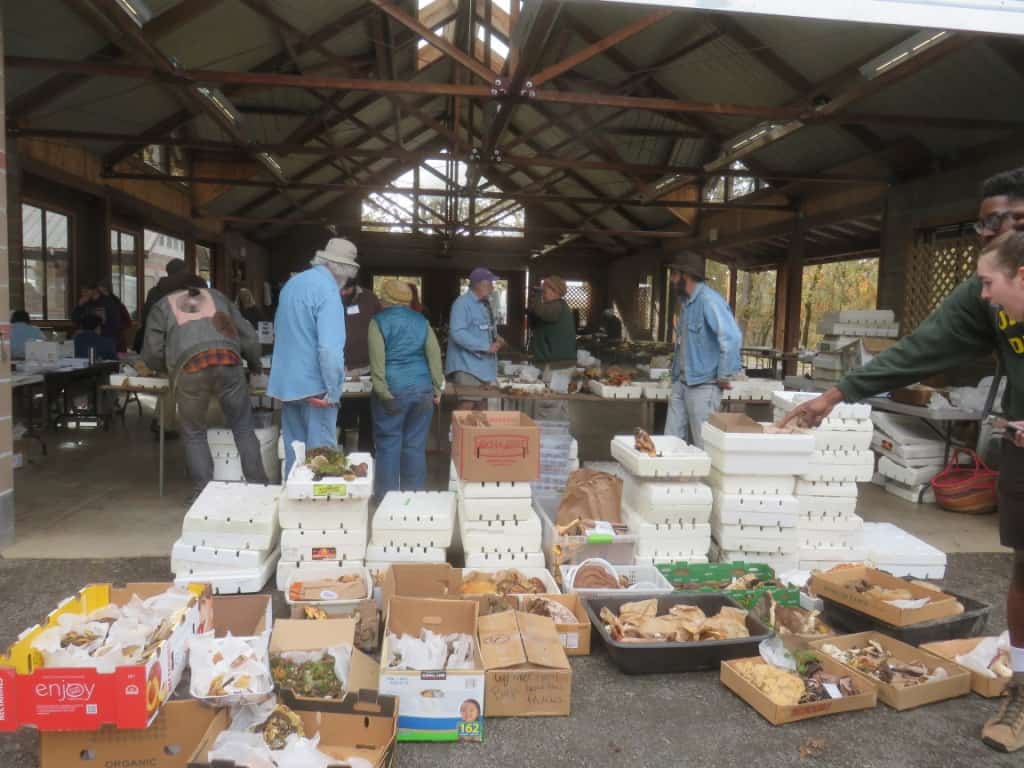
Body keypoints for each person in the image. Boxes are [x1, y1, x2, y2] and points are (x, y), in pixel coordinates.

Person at [780, 167, 1024, 753]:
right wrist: (835, 395)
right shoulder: (989, 295)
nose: (992, 233)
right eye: (986, 222)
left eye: (1007, 221)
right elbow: (921, 349)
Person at [142, 283, 267, 499]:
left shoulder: (162, 305)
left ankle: (204, 495)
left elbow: (153, 351)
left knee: (194, 433)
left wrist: (168, 368)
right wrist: (255, 364)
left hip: (189, 366)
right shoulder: (218, 297)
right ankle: (260, 488)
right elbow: (247, 335)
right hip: (229, 361)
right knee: (243, 427)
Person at [268, 238, 355, 475]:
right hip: (317, 389)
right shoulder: (328, 292)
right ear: (346, 271)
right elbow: (329, 350)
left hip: (287, 383)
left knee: (295, 458)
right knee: (321, 461)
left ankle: (293, 508)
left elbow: (280, 331)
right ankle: (319, 511)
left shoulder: (292, 284)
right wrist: (333, 390)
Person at [368, 280, 445, 497]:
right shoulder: (422, 321)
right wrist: (437, 388)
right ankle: (413, 498)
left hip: (393, 390)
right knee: (415, 446)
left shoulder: (378, 322)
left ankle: (386, 499)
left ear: (385, 298)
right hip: (422, 390)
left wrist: (383, 392)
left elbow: (377, 362)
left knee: (388, 444)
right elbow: (434, 356)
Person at [664, 251, 743, 448]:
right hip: (681, 382)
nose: (672, 280)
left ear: (685, 275)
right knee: (670, 442)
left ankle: (704, 479)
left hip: (703, 386)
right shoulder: (686, 304)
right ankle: (672, 477)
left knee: (703, 446)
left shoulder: (709, 301)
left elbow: (732, 338)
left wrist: (723, 376)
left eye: (674, 274)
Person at [446, 267, 504, 410]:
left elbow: (484, 328)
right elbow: (457, 333)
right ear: (479, 284)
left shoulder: (485, 303)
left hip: (483, 367)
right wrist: (486, 346)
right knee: (468, 404)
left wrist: (496, 338)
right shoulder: (462, 304)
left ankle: (476, 433)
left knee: (482, 405)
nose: (492, 287)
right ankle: (460, 432)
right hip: (467, 366)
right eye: (490, 283)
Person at [339, 277, 382, 452]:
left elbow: (380, 327)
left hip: (366, 368)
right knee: (339, 416)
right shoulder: (329, 295)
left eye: (345, 290)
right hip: (338, 369)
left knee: (367, 416)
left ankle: (366, 457)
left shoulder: (370, 299)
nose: (342, 294)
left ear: (354, 286)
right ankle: (339, 452)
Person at [135, 258, 207, 352]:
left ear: (168, 272)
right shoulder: (199, 290)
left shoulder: (156, 292)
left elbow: (147, 317)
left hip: (162, 345)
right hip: (194, 343)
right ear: (185, 271)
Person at [529, 275, 577, 368]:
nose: (542, 293)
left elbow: (540, 311)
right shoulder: (554, 306)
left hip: (557, 362)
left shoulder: (557, 306)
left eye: (544, 290)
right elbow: (537, 315)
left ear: (555, 291)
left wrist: (537, 294)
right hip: (554, 361)